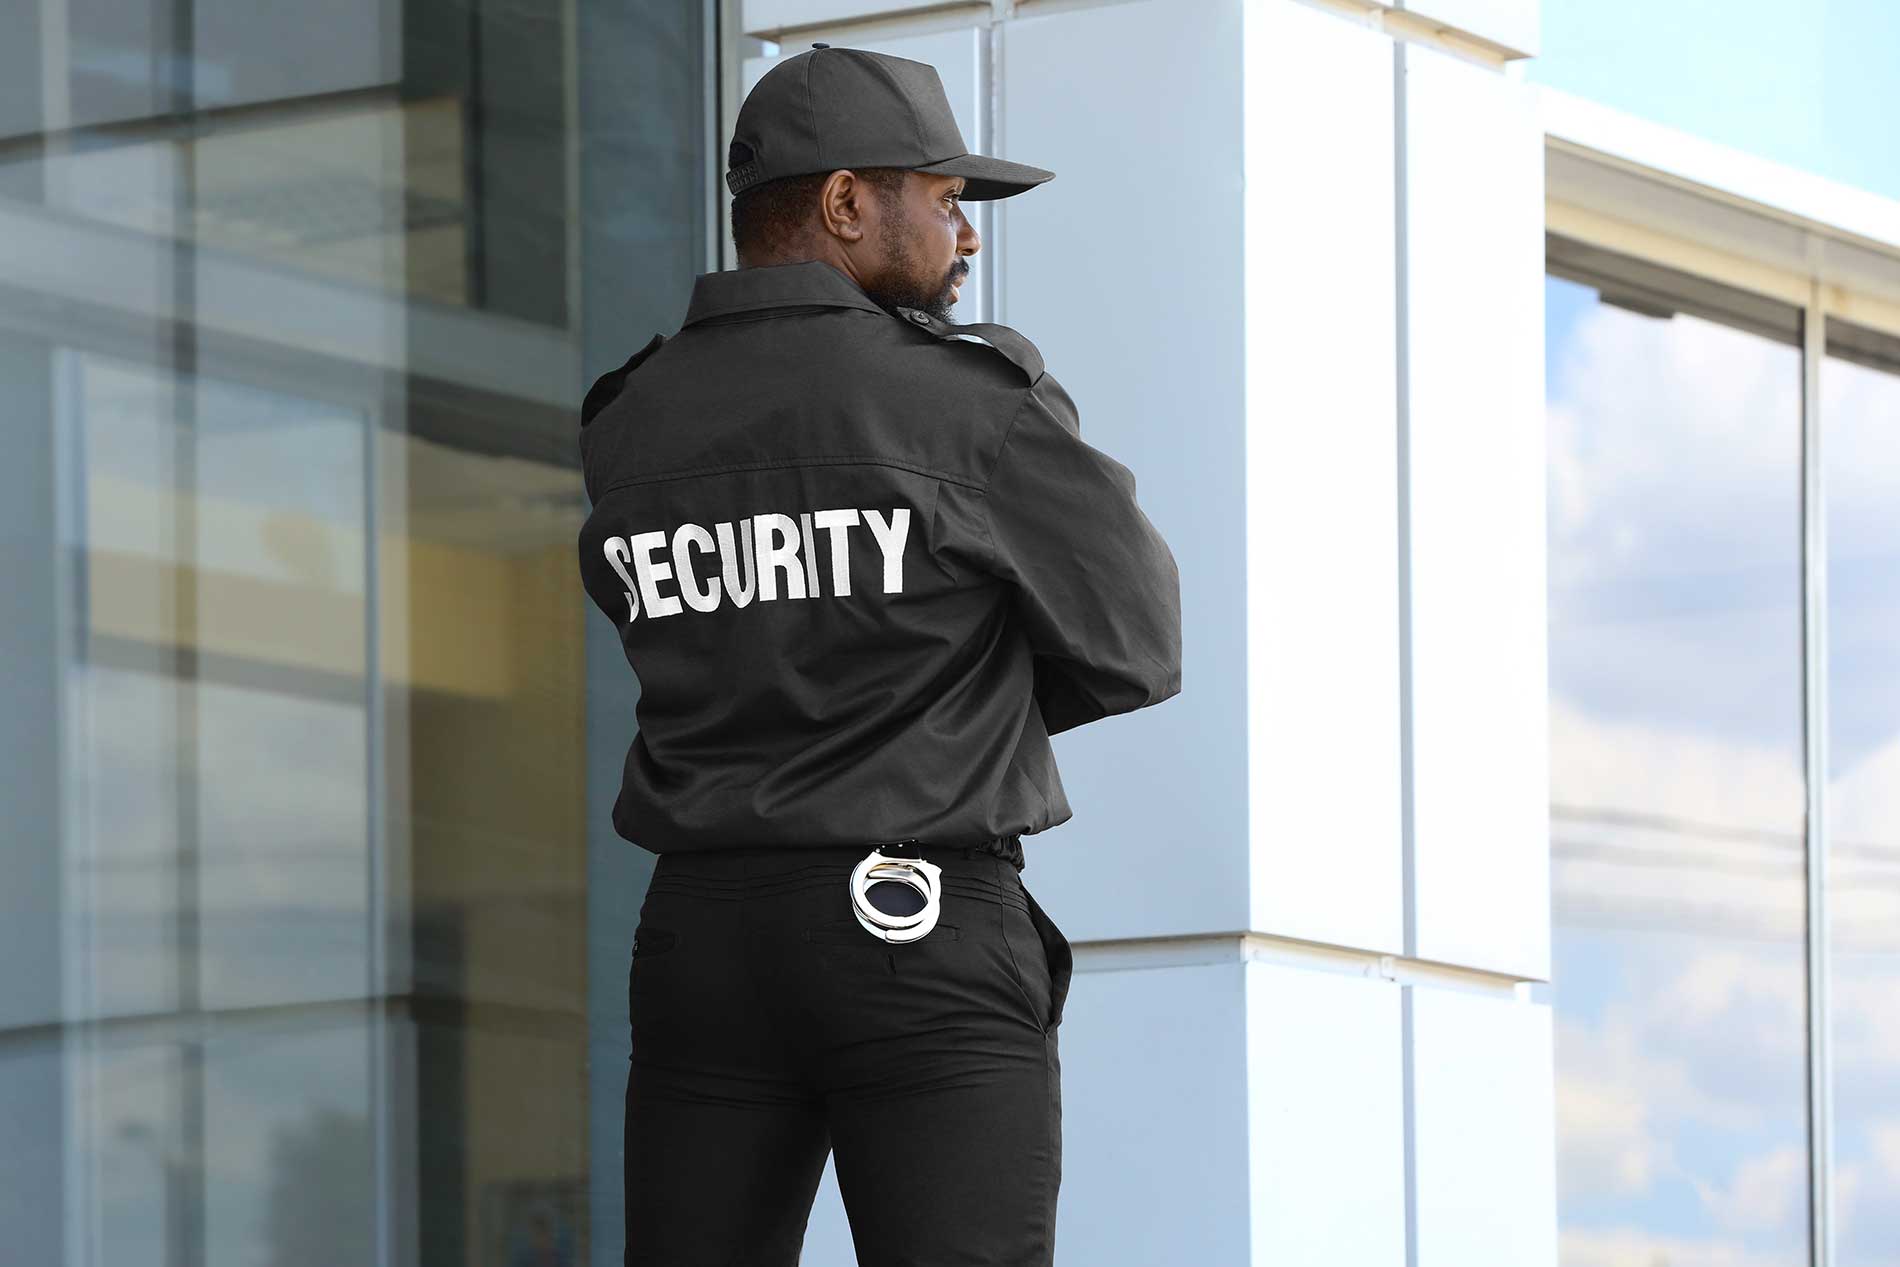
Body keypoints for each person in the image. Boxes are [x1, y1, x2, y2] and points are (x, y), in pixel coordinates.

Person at [575, 43, 1183, 1267]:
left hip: (700, 940)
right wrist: (938, 700)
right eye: (944, 197)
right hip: (909, 922)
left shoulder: (627, 418)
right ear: (847, 202)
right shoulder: (966, 401)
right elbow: (1135, 643)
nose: (964, 236)